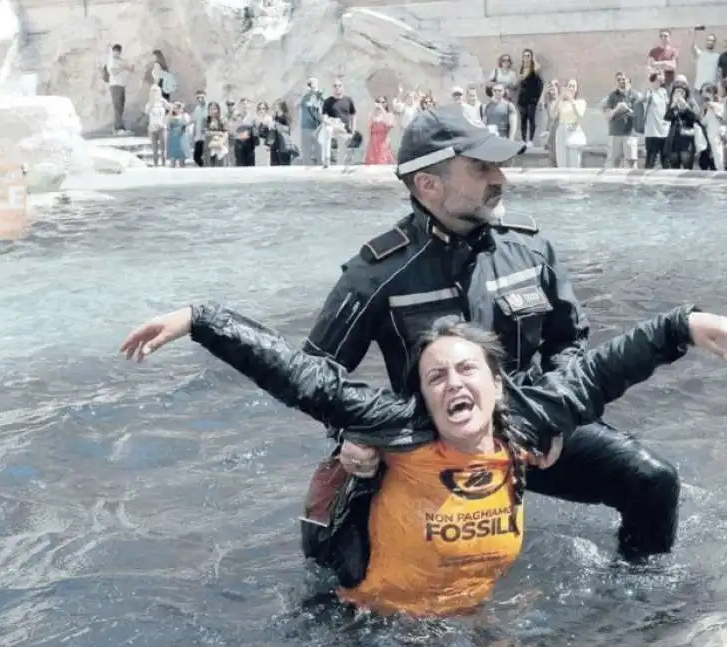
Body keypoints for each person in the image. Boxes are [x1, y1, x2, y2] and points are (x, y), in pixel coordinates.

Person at [120, 303, 727, 616]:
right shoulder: (401, 430)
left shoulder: (528, 421)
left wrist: (684, 325)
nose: (452, 383)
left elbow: (607, 367)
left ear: (496, 381)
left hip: (471, 621)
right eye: (435, 377)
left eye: (467, 369)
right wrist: (199, 320)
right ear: (422, 396)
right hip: (370, 628)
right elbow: (301, 376)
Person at [297, 103, 681, 579]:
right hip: (424, 446)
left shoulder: (530, 249)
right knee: (340, 562)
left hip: (529, 430)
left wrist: (555, 420)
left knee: (653, 481)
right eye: (481, 167)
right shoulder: (376, 273)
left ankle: (638, 602)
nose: (501, 178)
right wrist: (353, 435)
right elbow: (313, 375)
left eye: (498, 165)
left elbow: (568, 342)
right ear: (428, 184)